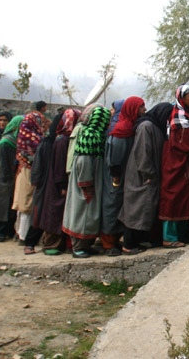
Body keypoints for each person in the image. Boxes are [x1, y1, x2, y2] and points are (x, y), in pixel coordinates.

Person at [118, 102, 172, 253]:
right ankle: (128, 244)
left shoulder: (155, 126)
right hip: (141, 176)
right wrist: (148, 173)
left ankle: (138, 241)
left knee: (143, 209)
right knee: (135, 209)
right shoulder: (146, 127)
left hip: (147, 175)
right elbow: (143, 152)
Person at [159, 85, 189, 248]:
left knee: (187, 198)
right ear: (182, 98)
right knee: (174, 197)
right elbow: (187, 141)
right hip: (178, 165)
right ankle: (169, 237)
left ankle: (182, 233)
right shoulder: (177, 115)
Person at [62, 106, 111, 258]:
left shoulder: (97, 135)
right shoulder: (90, 136)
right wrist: (86, 184)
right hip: (85, 184)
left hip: (92, 182)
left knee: (88, 216)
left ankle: (86, 246)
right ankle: (78, 248)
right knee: (81, 214)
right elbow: (83, 161)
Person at [102, 96, 145, 256]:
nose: (144, 110)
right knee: (112, 205)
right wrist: (116, 177)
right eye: (141, 107)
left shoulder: (131, 127)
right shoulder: (122, 130)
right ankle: (108, 243)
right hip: (116, 178)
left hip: (125, 176)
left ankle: (118, 240)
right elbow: (115, 158)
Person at [36, 108, 80, 255]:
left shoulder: (63, 138)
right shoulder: (63, 141)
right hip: (58, 185)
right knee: (55, 214)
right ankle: (51, 245)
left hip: (57, 183)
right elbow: (60, 165)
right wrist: (62, 184)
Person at [26, 113, 62, 255]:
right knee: (39, 212)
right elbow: (38, 165)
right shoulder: (47, 143)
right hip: (44, 184)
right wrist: (37, 182)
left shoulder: (60, 141)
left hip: (53, 184)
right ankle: (30, 242)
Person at [13, 112, 44, 248]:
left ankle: (18, 232)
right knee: (27, 204)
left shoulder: (21, 134)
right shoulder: (33, 137)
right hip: (30, 171)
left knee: (22, 203)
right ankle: (23, 236)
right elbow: (35, 157)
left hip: (22, 170)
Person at [0, 115, 22, 242]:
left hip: (12, 178)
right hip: (5, 179)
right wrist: (9, 176)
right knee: (2, 206)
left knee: (10, 207)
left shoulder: (15, 141)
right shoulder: (5, 142)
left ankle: (9, 231)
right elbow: (2, 164)